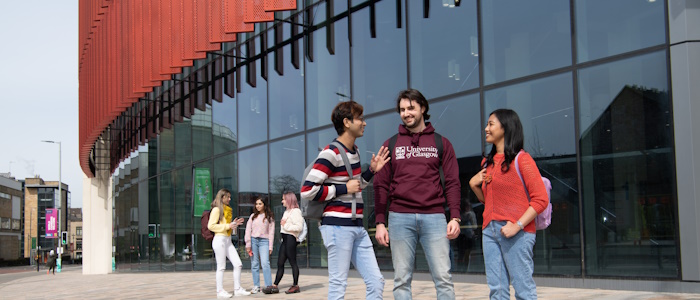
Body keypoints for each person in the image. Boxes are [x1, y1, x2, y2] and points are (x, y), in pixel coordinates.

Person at [373, 89, 461, 300]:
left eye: (411, 108)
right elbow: (381, 185)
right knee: (402, 280)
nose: (406, 113)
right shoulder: (390, 144)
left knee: (443, 278)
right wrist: (379, 222)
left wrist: (455, 216)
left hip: (434, 217)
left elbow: (452, 182)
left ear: (423, 108)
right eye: (402, 110)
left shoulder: (442, 143)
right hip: (399, 217)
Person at [301, 100, 391, 300]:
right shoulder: (330, 153)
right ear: (347, 123)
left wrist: (371, 172)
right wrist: (342, 188)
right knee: (338, 285)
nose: (364, 123)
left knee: (377, 281)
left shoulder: (355, 152)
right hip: (337, 227)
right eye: (360, 118)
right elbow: (307, 190)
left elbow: (356, 187)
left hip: (357, 226)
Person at [469, 109, 549, 300]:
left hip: (517, 232)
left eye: (491, 124)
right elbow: (490, 202)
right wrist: (473, 185)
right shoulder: (487, 163)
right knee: (497, 291)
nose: (486, 128)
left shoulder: (522, 159)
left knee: (523, 289)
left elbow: (541, 199)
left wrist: (517, 225)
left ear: (505, 127)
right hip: (490, 231)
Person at [207, 188, 250, 298]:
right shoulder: (217, 210)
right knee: (221, 267)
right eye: (228, 197)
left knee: (238, 264)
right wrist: (228, 226)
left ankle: (237, 289)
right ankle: (219, 291)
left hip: (227, 239)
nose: (230, 199)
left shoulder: (227, 210)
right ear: (223, 197)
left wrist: (233, 224)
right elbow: (210, 226)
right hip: (219, 239)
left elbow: (226, 226)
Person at [263, 192, 303, 294]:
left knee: (292, 262)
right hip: (285, 239)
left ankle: (295, 285)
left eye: (284, 199)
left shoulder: (296, 212)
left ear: (289, 200)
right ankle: (275, 285)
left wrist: (286, 226)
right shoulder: (287, 211)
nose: (282, 201)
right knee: (280, 262)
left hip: (291, 238)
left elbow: (299, 227)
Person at [244, 197, 275, 294]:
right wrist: (248, 243)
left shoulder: (269, 217)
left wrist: (270, 246)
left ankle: (268, 285)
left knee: (265, 263)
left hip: (264, 241)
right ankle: (256, 286)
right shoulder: (253, 216)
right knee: (254, 264)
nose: (258, 206)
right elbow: (248, 230)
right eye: (256, 204)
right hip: (253, 241)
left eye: (260, 204)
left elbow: (271, 233)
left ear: (264, 205)